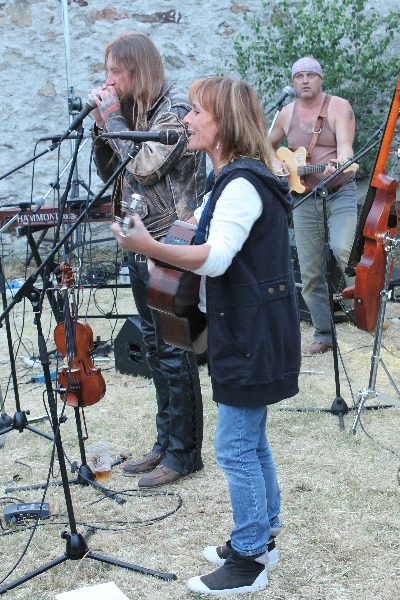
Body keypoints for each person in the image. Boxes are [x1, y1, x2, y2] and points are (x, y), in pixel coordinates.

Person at [110, 76, 301, 596]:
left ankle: (249, 559)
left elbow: (214, 258)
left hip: (251, 334)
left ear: (224, 123)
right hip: (250, 328)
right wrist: (147, 236)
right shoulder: (229, 181)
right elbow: (193, 228)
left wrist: (151, 247)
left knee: (234, 447)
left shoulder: (241, 185)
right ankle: (264, 535)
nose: (186, 120)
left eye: (196, 112)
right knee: (251, 440)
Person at [90, 31, 206, 487]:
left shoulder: (173, 111)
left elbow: (144, 167)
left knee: (176, 350)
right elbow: (112, 171)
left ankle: (184, 454)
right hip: (140, 242)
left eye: (115, 72)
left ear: (137, 71)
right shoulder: (132, 112)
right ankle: (165, 442)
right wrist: (102, 128)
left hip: (172, 243)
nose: (108, 81)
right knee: (156, 349)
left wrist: (113, 119)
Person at [269, 56, 357, 355]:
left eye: (310, 75)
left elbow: (346, 151)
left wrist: (340, 163)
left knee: (345, 250)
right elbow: (265, 144)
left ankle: (369, 310)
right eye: (299, 76)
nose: (304, 80)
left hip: (339, 191)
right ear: (293, 82)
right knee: (310, 271)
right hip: (304, 197)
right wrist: (276, 164)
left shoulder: (338, 107)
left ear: (320, 78)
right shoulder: (286, 113)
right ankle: (324, 334)